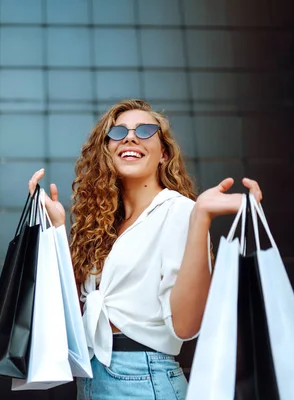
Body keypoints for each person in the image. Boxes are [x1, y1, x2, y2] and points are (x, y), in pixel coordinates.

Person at [27, 99, 263, 399]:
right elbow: (75, 318)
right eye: (118, 132)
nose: (129, 137)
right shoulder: (102, 225)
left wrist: (201, 216)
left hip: (143, 380)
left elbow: (186, 326)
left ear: (163, 153)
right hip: (91, 378)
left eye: (145, 130)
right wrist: (58, 229)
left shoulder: (178, 212)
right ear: (106, 151)